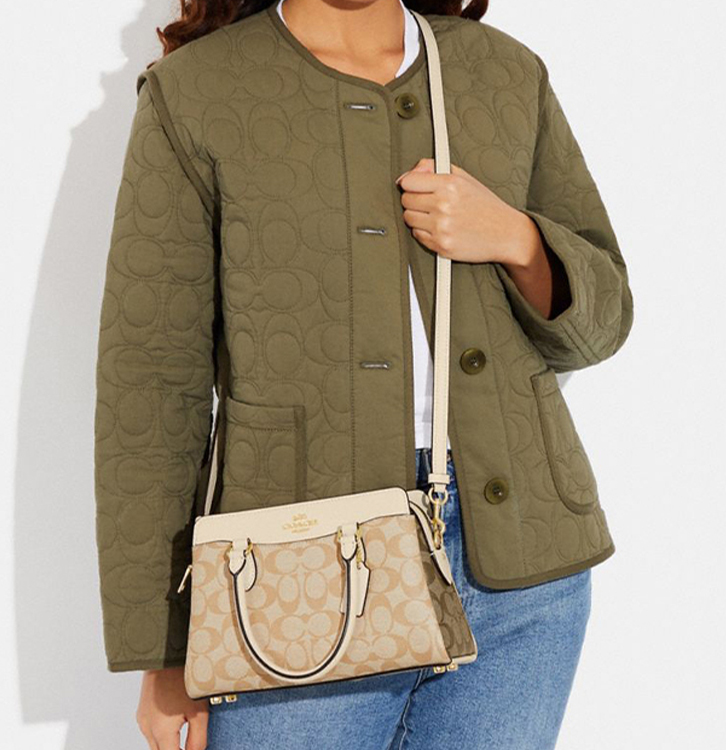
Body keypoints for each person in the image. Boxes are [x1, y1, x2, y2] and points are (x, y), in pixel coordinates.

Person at [92, 0, 634, 748]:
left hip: (523, 578)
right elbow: (152, 385)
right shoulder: (194, 93)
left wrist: (517, 237)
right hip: (292, 578)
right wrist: (165, 652)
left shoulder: (503, 71)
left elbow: (604, 322)